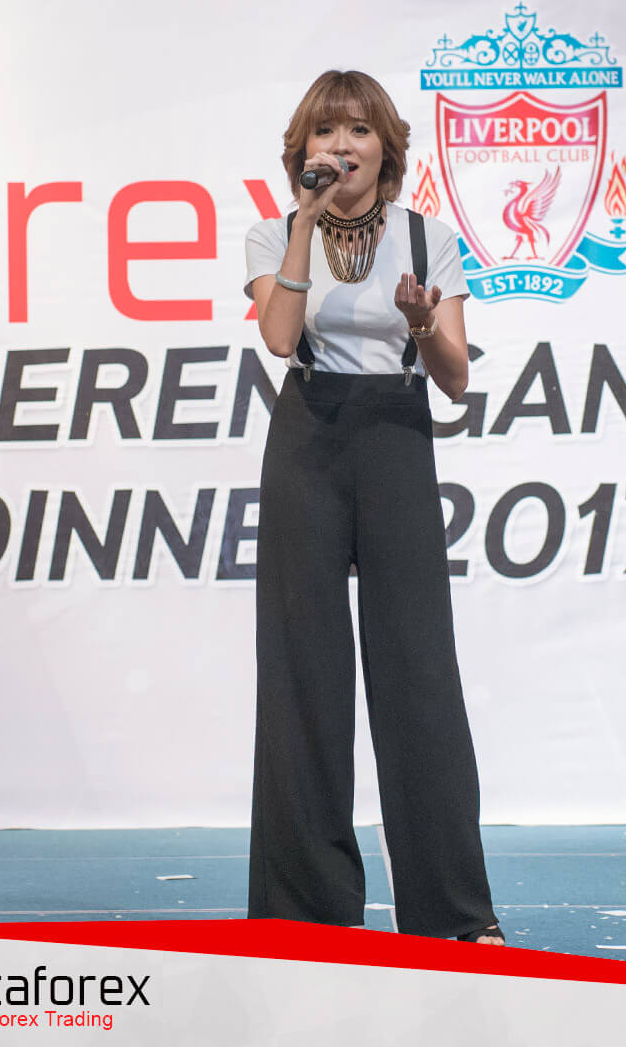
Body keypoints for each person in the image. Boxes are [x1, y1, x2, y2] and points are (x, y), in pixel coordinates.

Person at [243, 70, 504, 945]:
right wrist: (304, 226)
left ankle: (452, 916)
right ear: (303, 151)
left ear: (386, 148)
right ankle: (304, 915)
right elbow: (280, 339)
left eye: (357, 131)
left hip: (396, 436)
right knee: (302, 674)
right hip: (307, 439)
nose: (340, 146)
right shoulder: (273, 234)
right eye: (325, 133)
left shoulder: (429, 239)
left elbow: (457, 380)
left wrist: (423, 322)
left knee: (417, 673)